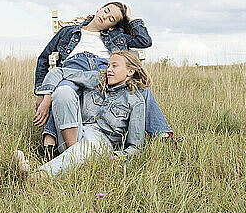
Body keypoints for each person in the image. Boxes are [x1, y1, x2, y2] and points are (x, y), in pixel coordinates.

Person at [32, 2, 172, 159]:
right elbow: (44, 58)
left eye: (111, 19)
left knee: (141, 90)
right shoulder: (67, 31)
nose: (105, 16)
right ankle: (50, 146)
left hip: (102, 72)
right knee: (63, 90)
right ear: (99, 9)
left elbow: (144, 41)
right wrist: (42, 92)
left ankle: (163, 137)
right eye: (106, 11)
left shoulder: (116, 36)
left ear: (112, 26)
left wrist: (130, 18)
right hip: (73, 70)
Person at [15, 51, 148, 180]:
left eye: (114, 66)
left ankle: (35, 176)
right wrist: (46, 97)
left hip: (101, 141)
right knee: (63, 92)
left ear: (130, 72)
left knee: (86, 147)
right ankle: (71, 162)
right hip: (74, 132)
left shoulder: (136, 101)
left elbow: (135, 146)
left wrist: (119, 156)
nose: (108, 69)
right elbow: (58, 72)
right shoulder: (97, 79)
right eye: (108, 65)